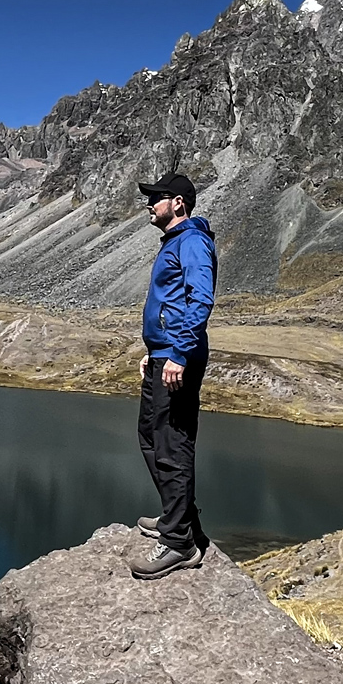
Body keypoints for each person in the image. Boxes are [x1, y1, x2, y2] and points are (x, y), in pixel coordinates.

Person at [129, 171, 217, 579]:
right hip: (163, 356)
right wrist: (156, 352)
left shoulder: (193, 242)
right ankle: (177, 516)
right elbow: (171, 303)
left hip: (178, 360)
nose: (150, 204)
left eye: (157, 198)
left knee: (172, 444)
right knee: (151, 436)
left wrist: (178, 353)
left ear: (178, 203)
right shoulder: (174, 243)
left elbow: (200, 299)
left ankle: (180, 543)